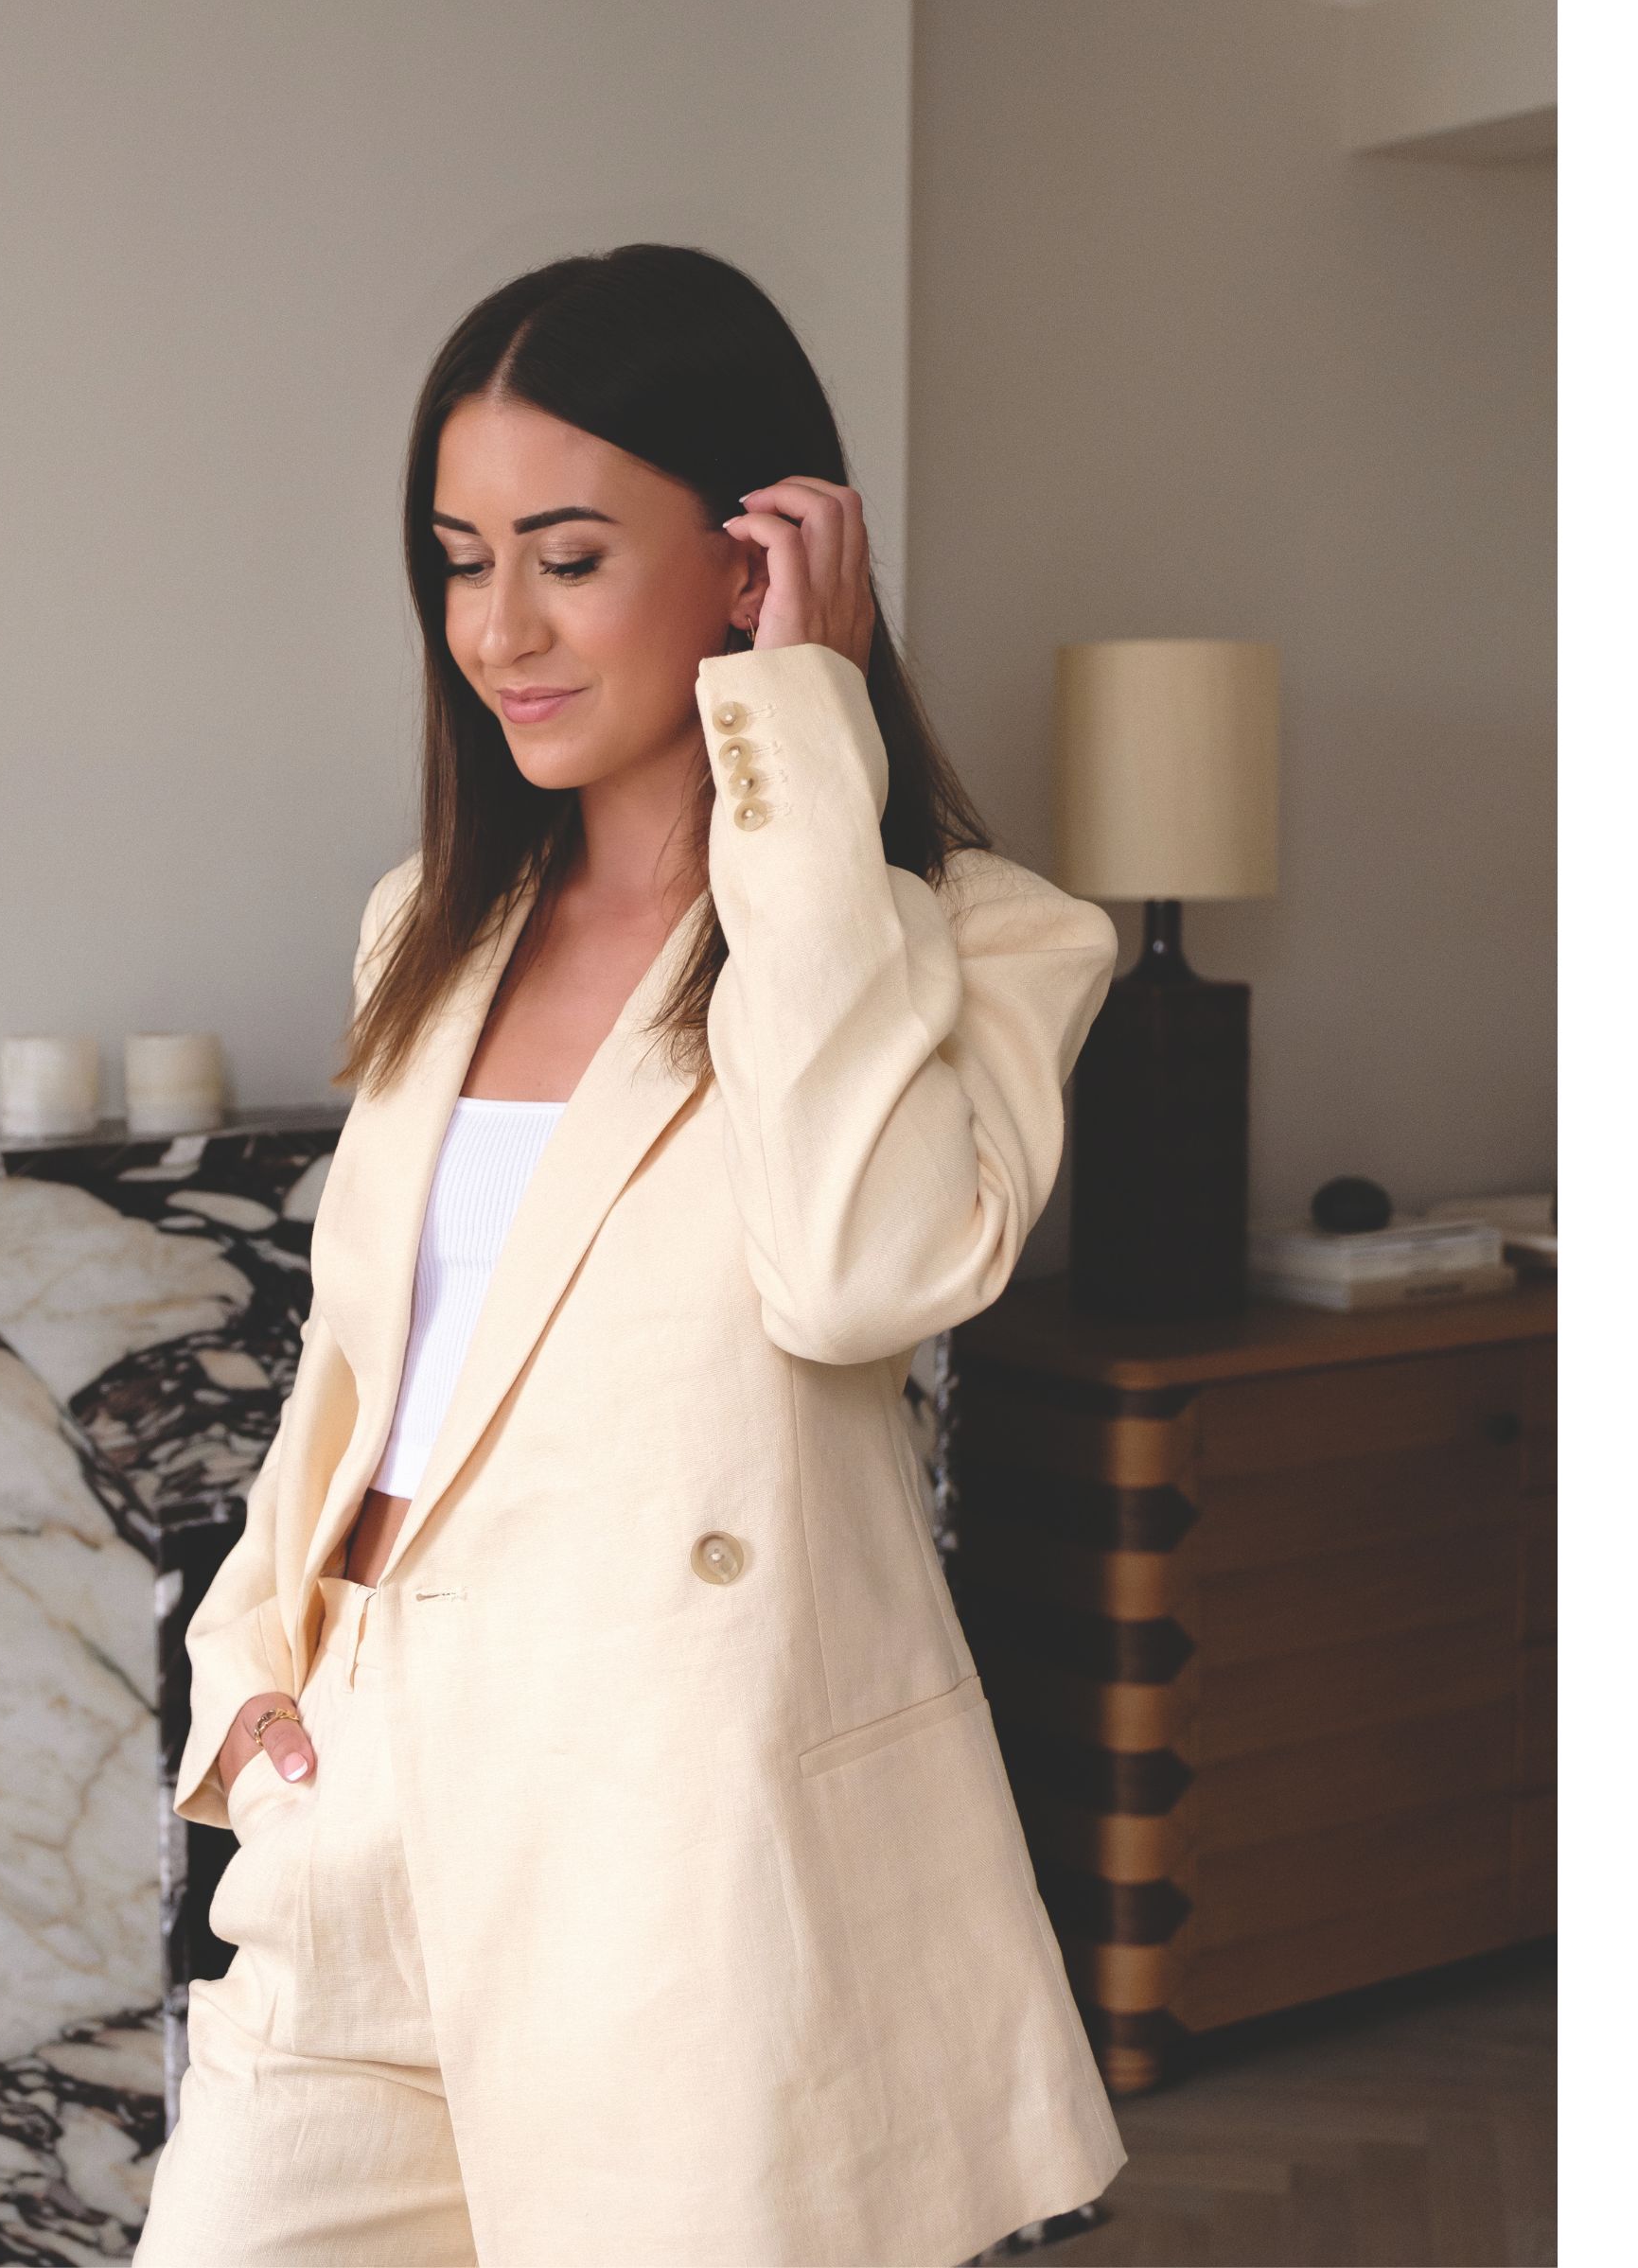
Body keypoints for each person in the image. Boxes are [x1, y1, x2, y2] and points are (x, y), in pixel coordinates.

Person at [135, 244, 1125, 2265]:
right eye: (458, 556)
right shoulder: (432, 920)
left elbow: (853, 1277)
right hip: (362, 1771)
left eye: (569, 555)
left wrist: (794, 736)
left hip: (664, 1813)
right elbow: (363, 1366)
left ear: (753, 559)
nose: (499, 628)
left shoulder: (990, 941)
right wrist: (246, 1672)